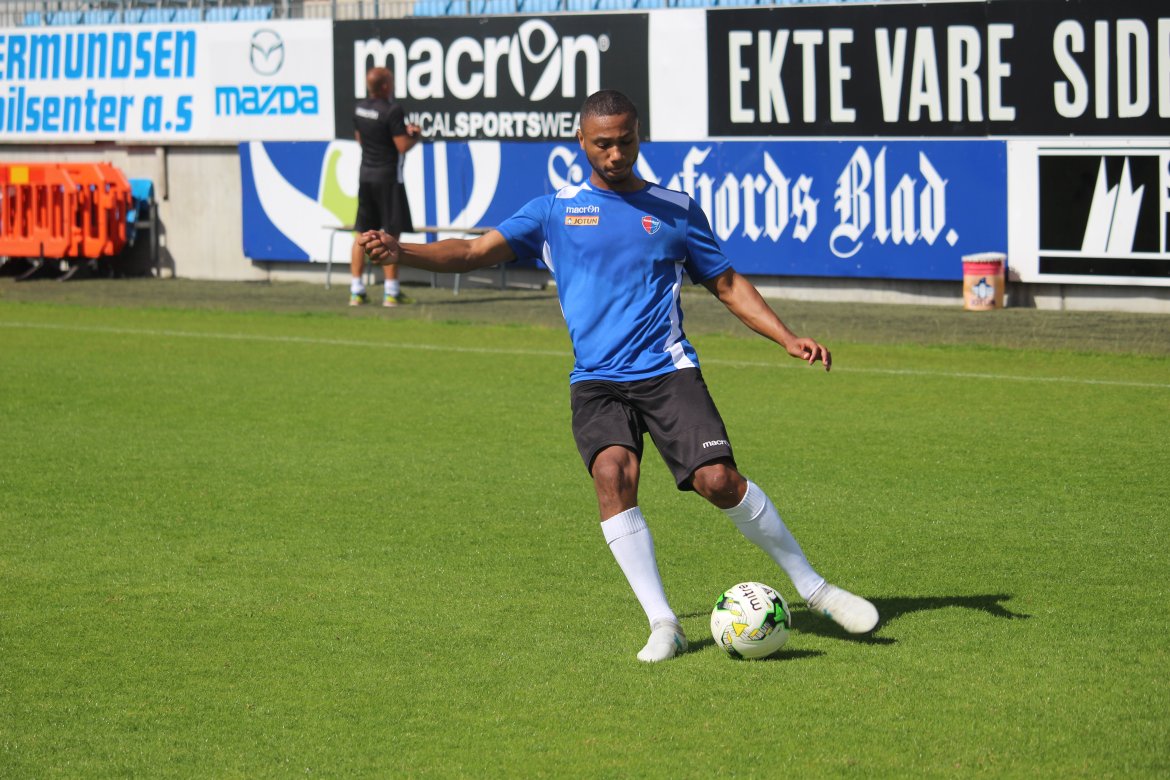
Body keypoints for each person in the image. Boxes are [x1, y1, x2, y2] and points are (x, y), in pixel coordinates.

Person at [359, 89, 879, 661]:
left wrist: (786, 335)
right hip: (597, 380)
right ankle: (664, 624)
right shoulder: (553, 211)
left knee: (719, 482)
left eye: (624, 141)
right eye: (602, 143)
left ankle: (816, 589)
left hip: (667, 371)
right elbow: (470, 252)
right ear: (580, 142)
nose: (614, 153)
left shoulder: (676, 208)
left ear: (638, 135)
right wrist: (399, 251)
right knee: (612, 474)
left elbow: (727, 284)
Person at [349, 66, 421, 307]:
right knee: (390, 234)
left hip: (365, 176)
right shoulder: (393, 109)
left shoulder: (360, 108)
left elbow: (362, 138)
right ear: (385, 86)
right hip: (389, 179)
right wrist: (415, 135)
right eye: (391, 81)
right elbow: (402, 145)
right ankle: (391, 292)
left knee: (362, 234)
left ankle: (356, 291)